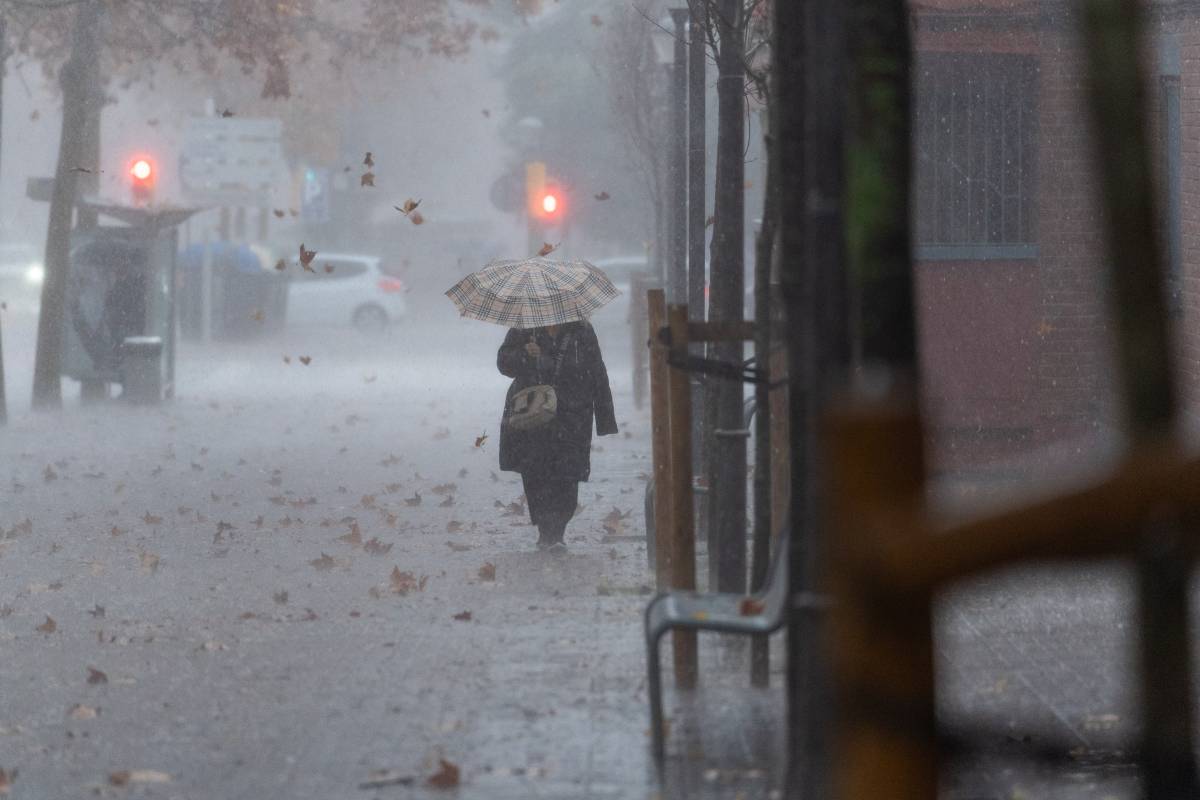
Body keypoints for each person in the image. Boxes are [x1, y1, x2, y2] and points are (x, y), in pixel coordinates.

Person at [497, 320, 617, 552]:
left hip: (572, 416)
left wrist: (605, 417)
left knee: (567, 475)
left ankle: (557, 530)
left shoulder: (582, 330)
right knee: (535, 473)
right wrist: (525, 355)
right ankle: (546, 530)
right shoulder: (524, 327)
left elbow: (596, 371)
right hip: (532, 415)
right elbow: (504, 363)